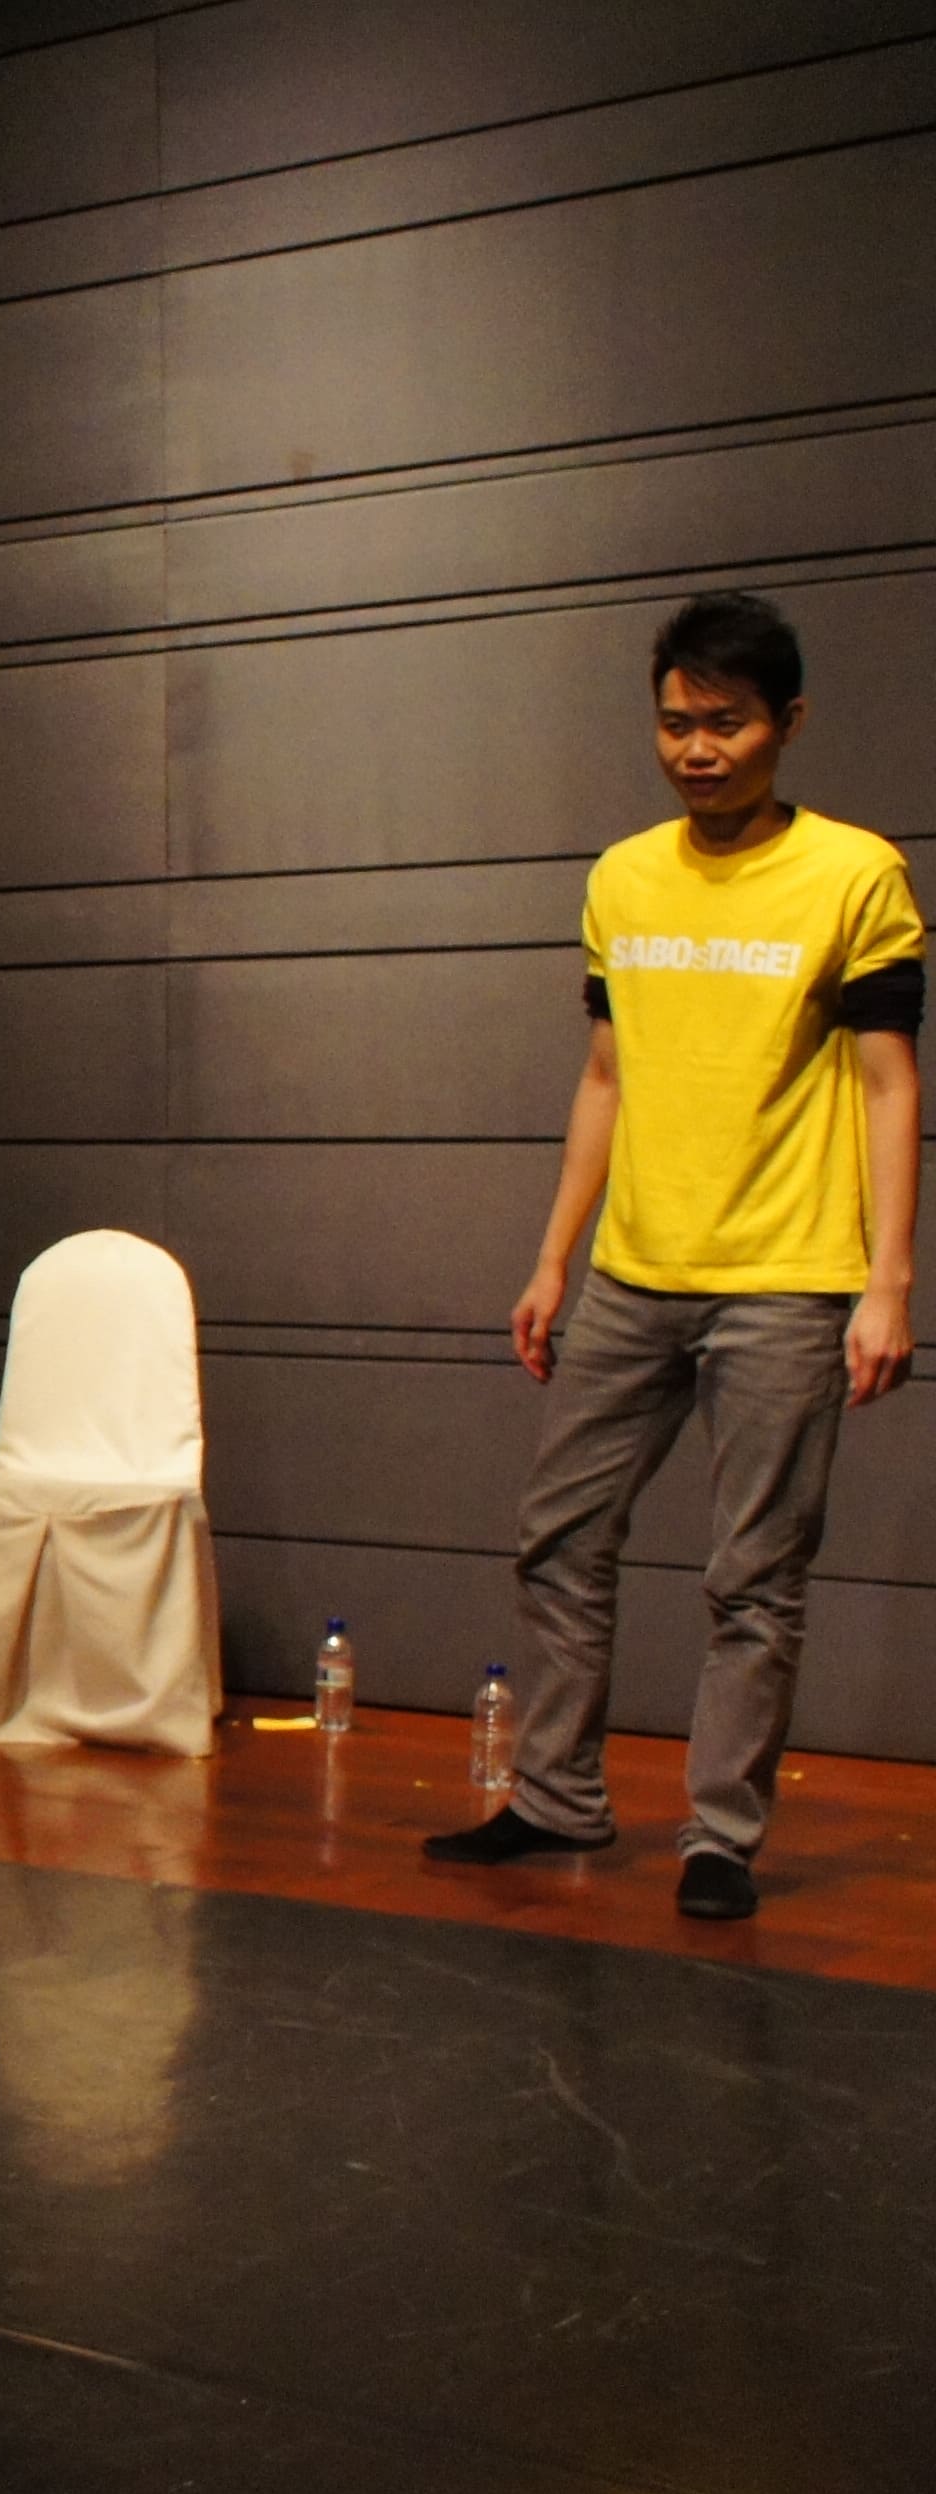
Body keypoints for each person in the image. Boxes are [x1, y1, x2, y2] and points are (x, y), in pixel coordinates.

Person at [431, 593, 921, 1922]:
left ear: (787, 723)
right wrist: (553, 1261)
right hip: (634, 1271)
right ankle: (556, 1799)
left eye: (727, 721)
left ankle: (721, 1837)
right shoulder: (621, 877)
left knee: (753, 1574)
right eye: (676, 722)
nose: (697, 747)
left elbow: (888, 1086)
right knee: (559, 1536)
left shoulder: (855, 875)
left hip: (788, 1274)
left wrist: (887, 1284)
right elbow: (606, 1075)